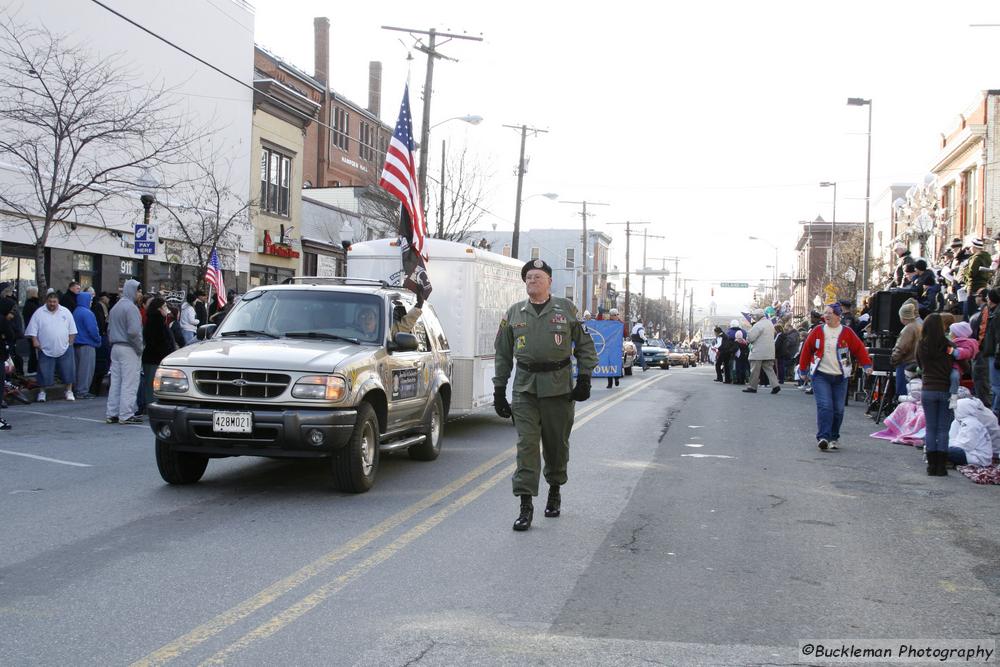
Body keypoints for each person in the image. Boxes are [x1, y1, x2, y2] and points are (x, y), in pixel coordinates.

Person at [493, 258, 598, 532]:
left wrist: (584, 378)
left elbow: (585, 346)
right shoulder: (515, 313)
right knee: (526, 446)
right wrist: (498, 390)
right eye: (528, 277)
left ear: (550, 281)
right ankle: (525, 506)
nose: (532, 281)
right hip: (525, 390)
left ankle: (554, 489)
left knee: (556, 446)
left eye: (538, 277)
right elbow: (503, 354)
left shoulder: (566, 309)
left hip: (558, 389)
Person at [798, 302, 872, 451]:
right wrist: (803, 369)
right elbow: (806, 349)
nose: (826, 316)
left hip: (840, 376)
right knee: (825, 406)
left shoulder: (847, 332)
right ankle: (823, 437)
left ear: (838, 316)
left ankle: (833, 437)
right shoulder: (818, 331)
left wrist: (867, 365)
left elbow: (859, 349)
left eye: (829, 313)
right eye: (825, 313)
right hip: (820, 375)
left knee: (838, 409)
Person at [917, 313, 954, 476]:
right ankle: (942, 466)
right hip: (945, 389)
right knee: (943, 429)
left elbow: (918, 363)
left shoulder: (921, 345)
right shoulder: (948, 345)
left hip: (928, 388)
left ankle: (931, 466)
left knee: (930, 428)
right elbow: (961, 362)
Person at [25, 291, 78, 402]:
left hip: (65, 346)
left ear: (58, 301)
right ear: (46, 301)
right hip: (45, 348)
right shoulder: (39, 313)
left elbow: (72, 330)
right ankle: (42, 392)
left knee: (68, 370)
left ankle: (69, 391)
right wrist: (35, 341)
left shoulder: (66, 312)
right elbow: (32, 330)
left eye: (54, 302)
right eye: (50, 301)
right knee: (43, 371)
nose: (52, 304)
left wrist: (70, 343)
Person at [106, 279, 144, 425]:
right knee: (130, 382)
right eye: (139, 291)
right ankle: (126, 414)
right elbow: (134, 332)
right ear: (133, 291)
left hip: (115, 346)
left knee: (116, 382)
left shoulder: (115, 307)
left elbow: (109, 328)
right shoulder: (131, 308)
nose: (140, 294)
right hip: (129, 348)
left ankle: (112, 412)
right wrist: (139, 348)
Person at [141, 298, 176, 407]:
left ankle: (152, 405)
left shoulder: (159, 320)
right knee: (152, 385)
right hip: (154, 359)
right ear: (158, 309)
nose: (166, 309)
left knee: (154, 384)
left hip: (156, 358)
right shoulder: (155, 322)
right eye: (164, 306)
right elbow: (157, 342)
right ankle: (151, 406)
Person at [72, 291, 101, 399]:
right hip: (87, 344)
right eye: (91, 300)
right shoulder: (88, 313)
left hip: (76, 343)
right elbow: (93, 329)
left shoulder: (76, 311)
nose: (91, 302)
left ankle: (77, 389)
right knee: (86, 369)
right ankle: (83, 391)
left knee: (78, 369)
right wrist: (98, 340)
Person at [743, 308, 780, 394]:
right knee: (769, 369)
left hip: (758, 352)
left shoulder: (758, 325)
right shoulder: (770, 323)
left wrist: (748, 339)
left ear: (756, 316)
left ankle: (752, 386)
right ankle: (775, 385)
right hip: (769, 351)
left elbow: (751, 337)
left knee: (755, 370)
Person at [890, 299, 921, 400]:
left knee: (903, 394)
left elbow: (900, 347)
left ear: (903, 317)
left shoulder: (908, 329)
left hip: (906, 364)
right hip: (916, 363)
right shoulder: (919, 326)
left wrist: (893, 360)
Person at [969, 287, 992, 405]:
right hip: (982, 352)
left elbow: (981, 334)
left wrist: (975, 349)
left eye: (977, 296)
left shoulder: (984, 313)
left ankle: (985, 407)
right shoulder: (984, 312)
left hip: (981, 353)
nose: (975, 298)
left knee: (981, 380)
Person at [961, 238, 992, 318]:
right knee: (979, 309)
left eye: (970, 247)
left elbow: (971, 273)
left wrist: (964, 270)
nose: (970, 249)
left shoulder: (976, 258)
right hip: (982, 285)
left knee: (971, 310)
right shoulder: (986, 257)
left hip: (973, 286)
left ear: (974, 247)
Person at [21, 286, 41, 374]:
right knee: (34, 351)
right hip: (34, 332)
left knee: (32, 351)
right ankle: (33, 368)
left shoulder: (28, 304)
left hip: (30, 331)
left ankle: (32, 367)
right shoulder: (33, 305)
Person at [606, 308, 626, 388]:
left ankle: (617, 378)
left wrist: (621, 324)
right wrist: (600, 314)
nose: (616, 316)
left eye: (617, 314)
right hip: (608, 346)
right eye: (614, 315)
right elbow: (599, 326)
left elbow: (625, 333)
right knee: (609, 364)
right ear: (611, 316)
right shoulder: (607, 323)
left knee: (617, 363)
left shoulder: (620, 323)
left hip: (617, 347)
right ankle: (609, 382)